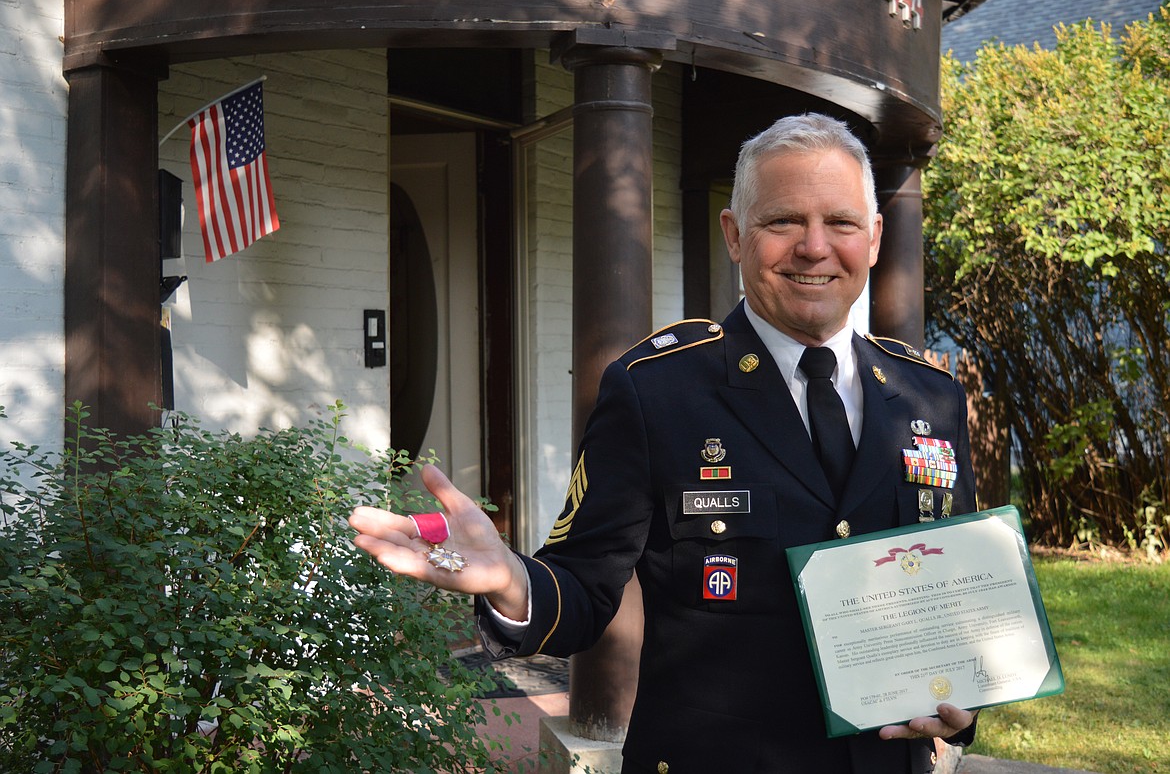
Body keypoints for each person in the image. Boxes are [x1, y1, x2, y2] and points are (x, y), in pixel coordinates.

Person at [350, 113, 979, 773]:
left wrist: (965, 697)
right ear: (735, 236)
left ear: (875, 239)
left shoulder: (929, 398)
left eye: (842, 223)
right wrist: (510, 580)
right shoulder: (656, 393)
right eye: (784, 221)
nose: (814, 247)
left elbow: (953, 595)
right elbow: (584, 587)